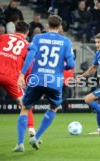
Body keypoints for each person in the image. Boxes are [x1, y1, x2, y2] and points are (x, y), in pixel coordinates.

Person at [14, 15, 74, 152]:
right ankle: (37, 137)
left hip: (36, 78)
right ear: (60, 27)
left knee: (25, 108)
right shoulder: (66, 41)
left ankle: (19, 144)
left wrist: (22, 75)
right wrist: (59, 67)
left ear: (47, 25)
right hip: (54, 80)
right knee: (54, 107)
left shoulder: (38, 38)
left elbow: (29, 57)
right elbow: (70, 64)